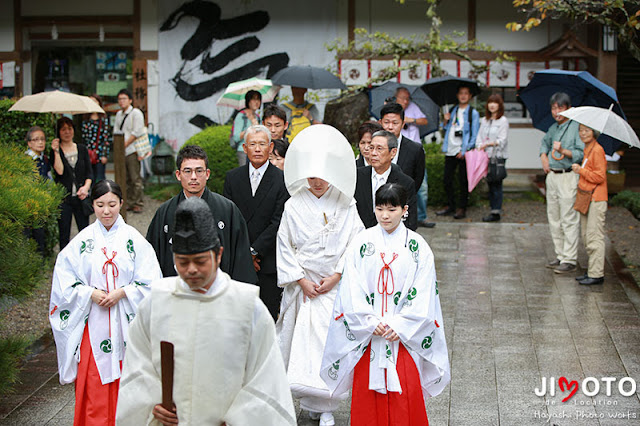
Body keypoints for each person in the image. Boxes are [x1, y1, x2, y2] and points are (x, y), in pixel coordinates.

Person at [116, 197, 296, 425]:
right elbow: (138, 365)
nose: (191, 270)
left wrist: (238, 418)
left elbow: (266, 378)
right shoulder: (157, 301)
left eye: (200, 261)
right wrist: (153, 404)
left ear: (218, 254)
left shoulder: (246, 306)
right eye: (182, 262)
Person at [321, 183, 450, 425]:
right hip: (370, 336)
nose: (385, 215)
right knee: (367, 401)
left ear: (405, 210)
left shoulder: (418, 247)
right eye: (380, 209)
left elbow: (423, 292)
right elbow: (351, 288)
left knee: (405, 395)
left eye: (392, 209)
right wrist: (369, 322)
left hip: (402, 339)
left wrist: (399, 325)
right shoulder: (361, 243)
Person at [49, 180, 162, 426]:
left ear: (121, 203)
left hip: (126, 324)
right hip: (94, 322)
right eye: (100, 205)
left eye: (112, 204)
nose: (107, 211)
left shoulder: (134, 240)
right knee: (93, 381)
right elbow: (64, 279)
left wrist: (124, 291)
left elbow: (153, 282)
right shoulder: (82, 240)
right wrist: (89, 292)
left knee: (130, 383)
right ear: (93, 206)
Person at [277, 125, 364, 426]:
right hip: (305, 285)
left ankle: (328, 404)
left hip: (331, 285)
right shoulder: (293, 205)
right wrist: (300, 280)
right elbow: (284, 245)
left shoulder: (346, 204)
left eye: (321, 175)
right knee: (301, 346)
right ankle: (310, 402)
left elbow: (356, 243)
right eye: (311, 176)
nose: (316, 182)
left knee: (330, 345)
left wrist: (338, 275)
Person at [146, 145, 257, 284]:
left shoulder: (227, 209)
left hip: (218, 292)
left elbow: (241, 261)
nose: (193, 177)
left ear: (207, 174)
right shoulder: (164, 212)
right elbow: (151, 261)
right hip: (176, 291)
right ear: (178, 175)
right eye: (187, 171)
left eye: (199, 171)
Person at [223, 125, 289, 320]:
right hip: (239, 260)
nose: (258, 149)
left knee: (267, 319)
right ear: (245, 148)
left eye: (262, 144)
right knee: (238, 319)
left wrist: (255, 251)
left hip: (267, 261)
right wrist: (245, 253)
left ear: (270, 147)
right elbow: (229, 218)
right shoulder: (232, 178)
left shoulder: (281, 179)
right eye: (253, 144)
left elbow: (279, 222)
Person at [539, 92, 584, 274]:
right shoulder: (554, 128)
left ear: (568, 108)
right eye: (554, 108)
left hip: (568, 175)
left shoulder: (576, 127)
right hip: (553, 175)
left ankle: (570, 258)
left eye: (560, 107)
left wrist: (563, 151)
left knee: (568, 218)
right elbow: (544, 143)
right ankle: (560, 254)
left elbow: (581, 153)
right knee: (554, 218)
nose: (557, 111)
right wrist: (543, 156)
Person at [379, 103, 433, 228]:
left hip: (404, 208)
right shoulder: (373, 148)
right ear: (380, 122)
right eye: (386, 122)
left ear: (403, 124)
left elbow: (417, 180)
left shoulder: (415, 149)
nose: (390, 127)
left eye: (395, 123)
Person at [354, 130, 418, 231]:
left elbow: (410, 221)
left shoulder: (405, 182)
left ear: (393, 153)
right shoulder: (357, 176)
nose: (373, 153)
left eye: (379, 149)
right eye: (371, 148)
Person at [437, 84, 480, 220]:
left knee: (463, 181)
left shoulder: (473, 113)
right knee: (447, 180)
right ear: (457, 95)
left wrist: (466, 150)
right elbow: (445, 129)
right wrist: (445, 120)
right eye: (461, 93)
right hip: (450, 149)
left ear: (470, 96)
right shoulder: (453, 110)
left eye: (466, 93)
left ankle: (462, 208)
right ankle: (450, 205)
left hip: (463, 152)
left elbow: (475, 134)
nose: (463, 96)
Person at [572, 124, 607, 285]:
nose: (583, 133)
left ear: (594, 133)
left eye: (587, 130)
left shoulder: (598, 150)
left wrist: (581, 171)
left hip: (596, 198)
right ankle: (592, 270)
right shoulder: (588, 149)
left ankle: (596, 274)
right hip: (587, 196)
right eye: (580, 130)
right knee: (586, 236)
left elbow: (600, 176)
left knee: (594, 236)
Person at [50, 116, 93, 250]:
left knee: (85, 232)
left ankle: (86, 259)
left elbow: (89, 173)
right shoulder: (55, 151)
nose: (67, 132)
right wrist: (56, 151)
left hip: (81, 196)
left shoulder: (82, 148)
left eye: (69, 128)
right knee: (64, 233)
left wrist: (86, 188)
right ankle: (64, 263)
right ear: (59, 132)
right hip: (64, 198)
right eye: (63, 129)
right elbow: (60, 171)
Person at [477, 93, 509, 222]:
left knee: (497, 183)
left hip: (498, 156)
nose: (492, 105)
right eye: (490, 102)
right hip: (486, 156)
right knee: (490, 183)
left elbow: (502, 140)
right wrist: (480, 145)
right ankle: (492, 209)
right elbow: (479, 137)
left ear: (499, 105)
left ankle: (496, 212)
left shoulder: (503, 121)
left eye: (495, 102)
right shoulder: (484, 120)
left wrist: (488, 144)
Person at [114, 89, 145, 213]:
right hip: (121, 151)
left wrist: (123, 145)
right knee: (124, 178)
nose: (121, 101)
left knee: (135, 178)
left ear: (130, 100)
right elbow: (116, 131)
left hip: (132, 150)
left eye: (124, 98)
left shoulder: (136, 113)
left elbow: (137, 132)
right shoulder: (118, 114)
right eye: (120, 99)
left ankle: (138, 202)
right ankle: (127, 202)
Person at [24, 126, 51, 255]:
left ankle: (39, 264)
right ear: (29, 143)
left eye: (42, 139)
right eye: (36, 139)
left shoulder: (44, 159)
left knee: (40, 235)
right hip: (27, 203)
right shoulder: (26, 160)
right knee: (27, 234)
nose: (40, 142)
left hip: (40, 203)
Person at [82, 94, 111, 183]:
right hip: (88, 153)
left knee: (100, 178)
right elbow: (84, 138)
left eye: (95, 101)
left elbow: (106, 138)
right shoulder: (85, 119)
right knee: (89, 177)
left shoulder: (103, 119)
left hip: (99, 153)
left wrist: (104, 155)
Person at [231, 90, 262, 166]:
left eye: (258, 99)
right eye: (253, 99)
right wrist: (250, 129)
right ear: (248, 101)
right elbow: (236, 137)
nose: (256, 102)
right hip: (244, 151)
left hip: (256, 150)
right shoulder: (241, 116)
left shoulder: (258, 117)